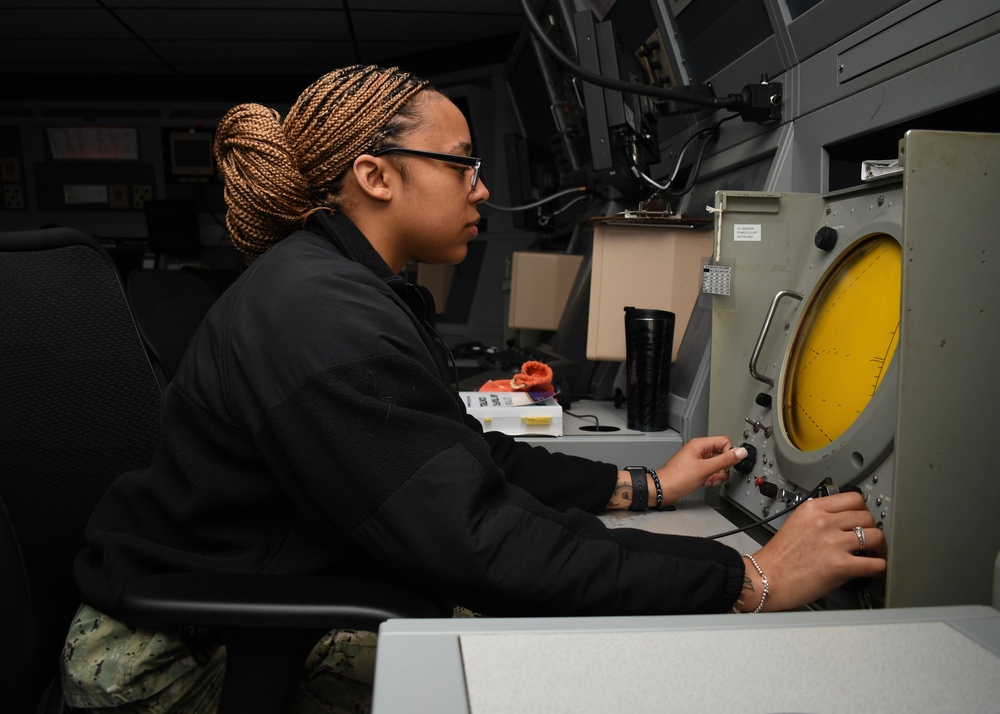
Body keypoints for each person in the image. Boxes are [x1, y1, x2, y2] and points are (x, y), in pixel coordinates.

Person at [60, 64, 886, 713]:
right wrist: (750, 581)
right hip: (172, 668)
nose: (483, 187)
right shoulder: (320, 314)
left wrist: (644, 485)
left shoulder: (339, 288)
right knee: (574, 670)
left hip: (243, 603)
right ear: (376, 176)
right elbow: (480, 540)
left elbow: (469, 463)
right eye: (462, 164)